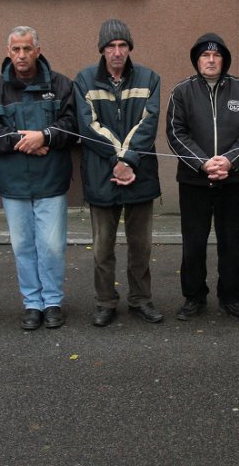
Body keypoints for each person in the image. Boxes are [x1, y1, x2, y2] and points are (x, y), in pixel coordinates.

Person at [0, 26, 76, 330]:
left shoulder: (61, 85)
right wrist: (29, 143)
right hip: (13, 183)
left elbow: (72, 124)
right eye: (16, 49)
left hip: (51, 181)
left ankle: (52, 301)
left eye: (27, 49)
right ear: (8, 51)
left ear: (37, 50)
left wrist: (44, 135)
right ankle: (32, 303)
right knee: (23, 247)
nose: (21, 55)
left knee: (51, 246)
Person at [74, 19, 162, 326]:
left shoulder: (150, 78)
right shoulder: (84, 80)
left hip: (140, 174)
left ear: (130, 48)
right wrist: (118, 159)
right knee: (102, 247)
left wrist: (129, 161)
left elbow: (148, 124)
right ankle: (105, 301)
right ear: (102, 50)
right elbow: (88, 125)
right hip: (102, 173)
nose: (117, 52)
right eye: (110, 46)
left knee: (141, 245)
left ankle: (141, 299)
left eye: (122, 45)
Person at [166, 33, 239, 322]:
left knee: (231, 242)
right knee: (193, 242)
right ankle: (194, 297)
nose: (210, 60)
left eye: (216, 55)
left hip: (231, 181)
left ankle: (231, 297)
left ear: (224, 59)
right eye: (205, 55)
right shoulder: (182, 92)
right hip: (194, 181)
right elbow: (175, 132)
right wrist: (203, 163)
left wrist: (230, 160)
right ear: (197, 60)